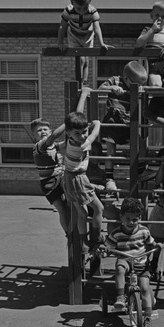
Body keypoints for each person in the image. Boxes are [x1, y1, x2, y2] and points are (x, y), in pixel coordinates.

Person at [59, 88, 105, 253]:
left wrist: (84, 95)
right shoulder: (82, 145)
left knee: (82, 213)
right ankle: (97, 239)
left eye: (84, 131)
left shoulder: (70, 139)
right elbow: (94, 135)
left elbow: (77, 114)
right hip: (78, 180)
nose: (83, 136)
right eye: (77, 133)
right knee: (99, 209)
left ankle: (83, 243)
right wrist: (97, 125)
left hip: (69, 178)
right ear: (69, 133)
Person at [105, 197, 158, 327]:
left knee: (145, 288)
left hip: (141, 263)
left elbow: (152, 243)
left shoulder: (144, 231)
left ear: (140, 218)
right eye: (127, 218)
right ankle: (121, 297)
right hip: (126, 260)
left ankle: (147, 319)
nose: (131, 222)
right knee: (120, 268)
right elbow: (108, 246)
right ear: (121, 217)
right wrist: (104, 250)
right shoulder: (116, 233)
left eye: (135, 219)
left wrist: (157, 246)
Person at [98, 60, 148, 192]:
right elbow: (100, 88)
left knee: (141, 144)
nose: (140, 86)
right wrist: (111, 88)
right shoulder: (115, 80)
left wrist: (140, 91)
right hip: (113, 121)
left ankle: (141, 171)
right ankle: (109, 178)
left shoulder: (136, 88)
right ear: (126, 78)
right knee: (110, 151)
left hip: (127, 122)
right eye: (137, 84)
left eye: (142, 84)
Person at [57, 0, 108, 87]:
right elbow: (62, 26)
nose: (82, 11)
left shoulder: (92, 11)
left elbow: (97, 28)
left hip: (87, 35)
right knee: (80, 59)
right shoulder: (68, 10)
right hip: (74, 34)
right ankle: (79, 82)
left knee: (86, 60)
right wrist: (60, 42)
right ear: (72, 2)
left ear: (90, 1)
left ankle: (84, 82)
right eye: (79, 8)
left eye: (84, 8)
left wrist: (101, 43)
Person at [30, 117, 70, 236]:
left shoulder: (54, 146)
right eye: (39, 130)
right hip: (49, 183)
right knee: (61, 210)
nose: (43, 132)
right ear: (34, 136)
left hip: (60, 177)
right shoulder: (39, 147)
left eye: (45, 129)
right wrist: (67, 124)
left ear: (50, 130)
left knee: (69, 206)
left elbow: (66, 144)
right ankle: (68, 233)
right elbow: (52, 138)